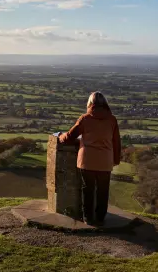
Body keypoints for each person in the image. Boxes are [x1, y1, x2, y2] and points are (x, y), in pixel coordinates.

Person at [58, 92, 121, 225]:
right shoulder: (112, 119)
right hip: (105, 161)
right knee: (103, 191)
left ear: (90, 103)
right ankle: (100, 218)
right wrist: (115, 160)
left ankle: (88, 218)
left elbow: (69, 137)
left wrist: (60, 136)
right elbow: (116, 142)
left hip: (87, 161)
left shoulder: (85, 119)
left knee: (88, 190)